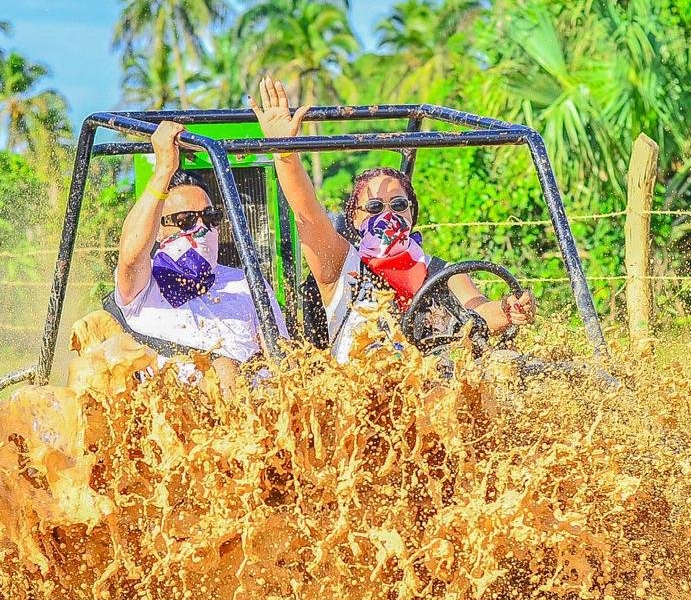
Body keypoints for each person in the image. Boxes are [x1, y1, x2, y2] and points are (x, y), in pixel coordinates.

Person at [248, 75, 536, 363]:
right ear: (355, 218)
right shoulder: (340, 265)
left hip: (432, 380)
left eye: (398, 204)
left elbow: (480, 310)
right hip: (364, 389)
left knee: (504, 361)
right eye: (374, 207)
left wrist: (507, 309)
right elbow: (305, 211)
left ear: (411, 212)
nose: (387, 215)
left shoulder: (440, 272)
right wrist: (283, 150)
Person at [113, 120, 288, 384]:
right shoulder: (143, 284)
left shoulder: (247, 282)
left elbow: (282, 358)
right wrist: (163, 170)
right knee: (222, 372)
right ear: (158, 230)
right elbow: (130, 254)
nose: (200, 228)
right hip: (176, 406)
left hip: (250, 404)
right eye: (185, 220)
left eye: (209, 218)